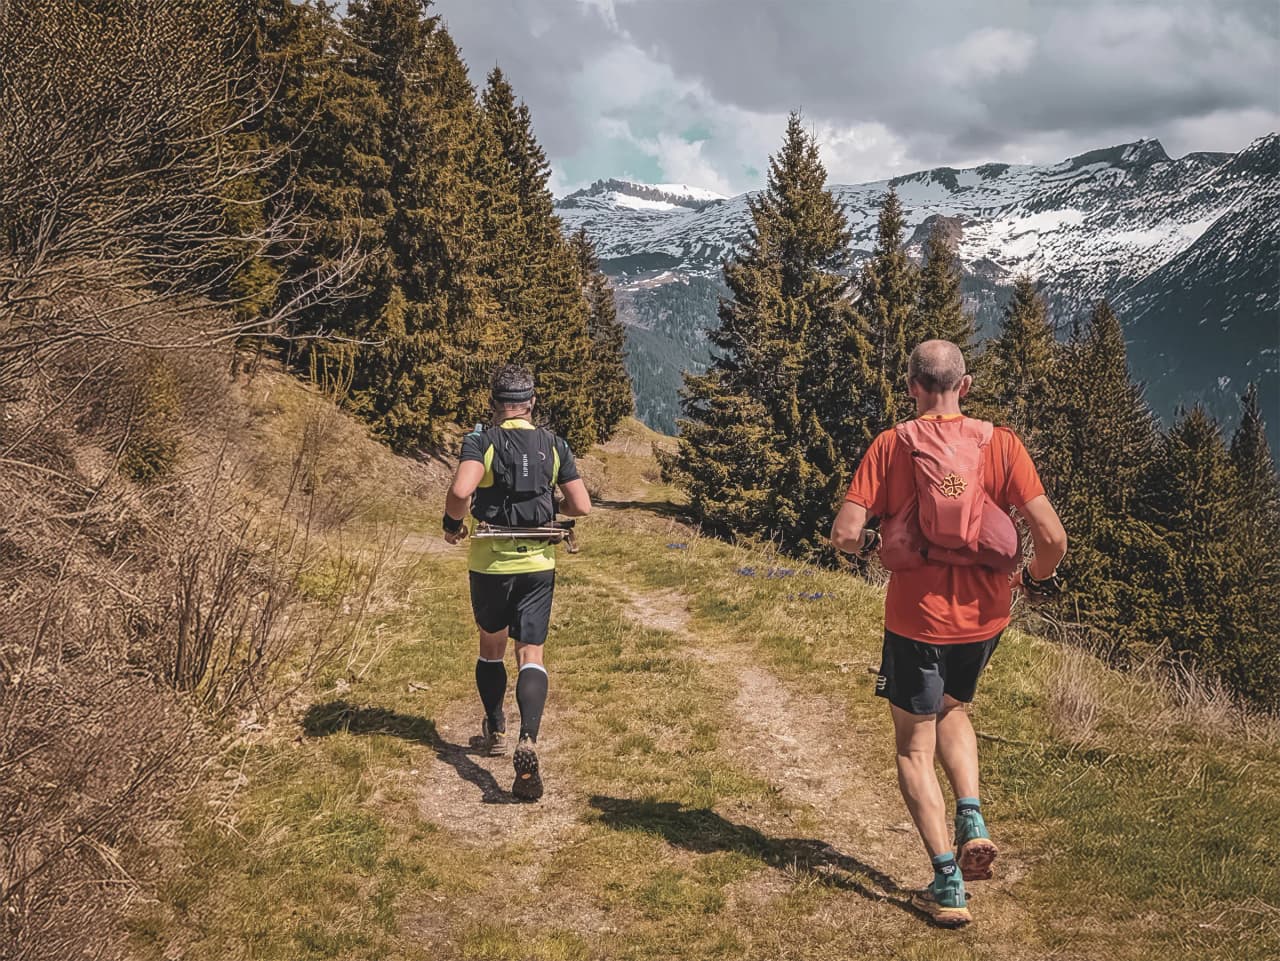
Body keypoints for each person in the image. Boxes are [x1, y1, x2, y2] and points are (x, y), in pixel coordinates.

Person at [830, 340, 1067, 927]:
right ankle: (972, 815)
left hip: (916, 620)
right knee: (955, 710)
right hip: (985, 618)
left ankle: (946, 882)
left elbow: (844, 533)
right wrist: (1032, 580)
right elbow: (1052, 537)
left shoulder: (892, 445)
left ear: (912, 386)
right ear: (964, 387)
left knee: (914, 744)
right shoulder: (1001, 443)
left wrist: (874, 549)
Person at [442, 364, 591, 801]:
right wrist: (552, 501)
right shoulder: (554, 444)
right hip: (539, 562)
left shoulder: (481, 440)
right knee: (531, 653)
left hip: (490, 564)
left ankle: (495, 730)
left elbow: (459, 491)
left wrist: (452, 524)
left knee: (492, 646)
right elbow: (581, 506)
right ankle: (529, 738)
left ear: (495, 404)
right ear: (531, 403)